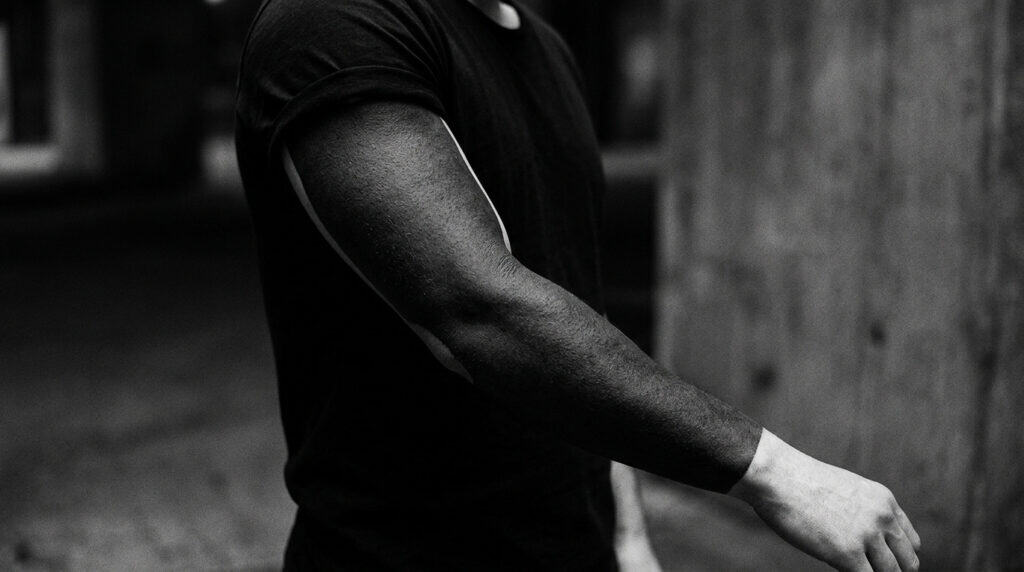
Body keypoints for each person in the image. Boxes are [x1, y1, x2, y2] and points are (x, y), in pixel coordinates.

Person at [234, 0, 922, 570]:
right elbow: (479, 313)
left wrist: (627, 537)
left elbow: (576, 310)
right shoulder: (336, 22)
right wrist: (776, 474)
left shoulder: (545, 49)